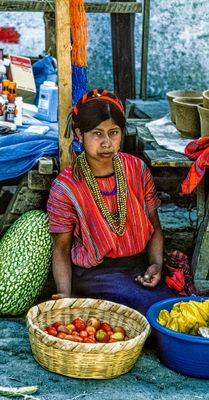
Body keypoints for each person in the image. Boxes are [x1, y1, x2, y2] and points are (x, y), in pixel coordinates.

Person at [47, 89, 175, 314]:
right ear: (79, 134)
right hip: (96, 274)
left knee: (175, 309)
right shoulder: (66, 187)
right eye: (97, 133)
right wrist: (66, 295)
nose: (106, 143)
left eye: (113, 132)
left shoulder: (136, 169)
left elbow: (155, 226)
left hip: (137, 266)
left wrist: (156, 264)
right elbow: (62, 248)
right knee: (154, 315)